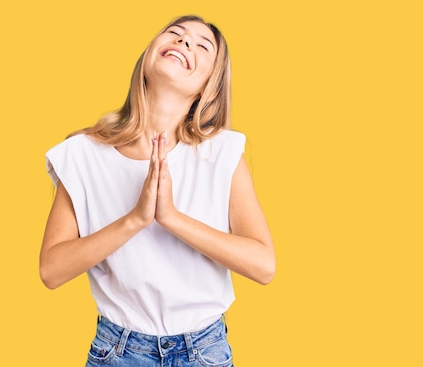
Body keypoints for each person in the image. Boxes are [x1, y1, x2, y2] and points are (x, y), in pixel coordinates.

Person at [39, 15, 275, 367]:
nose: (184, 43)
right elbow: (51, 271)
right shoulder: (82, 154)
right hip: (117, 351)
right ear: (148, 57)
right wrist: (135, 219)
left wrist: (171, 218)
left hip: (203, 350)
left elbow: (263, 266)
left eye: (201, 45)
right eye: (176, 34)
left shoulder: (221, 153)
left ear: (208, 86)